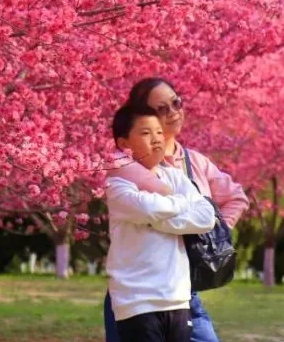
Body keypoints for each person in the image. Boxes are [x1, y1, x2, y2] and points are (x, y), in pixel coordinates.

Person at [105, 78, 250, 342]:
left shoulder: (194, 163)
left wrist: (215, 232)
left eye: (176, 103)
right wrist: (183, 213)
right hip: (138, 293)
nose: (173, 112)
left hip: (180, 288)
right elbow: (139, 208)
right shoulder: (121, 166)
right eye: (162, 109)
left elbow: (227, 202)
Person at [106, 104, 216, 342]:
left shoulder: (174, 176)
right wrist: (182, 202)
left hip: (177, 296)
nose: (156, 139)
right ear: (124, 144)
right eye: (146, 133)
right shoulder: (117, 185)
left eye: (158, 132)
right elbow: (147, 207)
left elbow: (206, 216)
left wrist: (157, 221)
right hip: (137, 301)